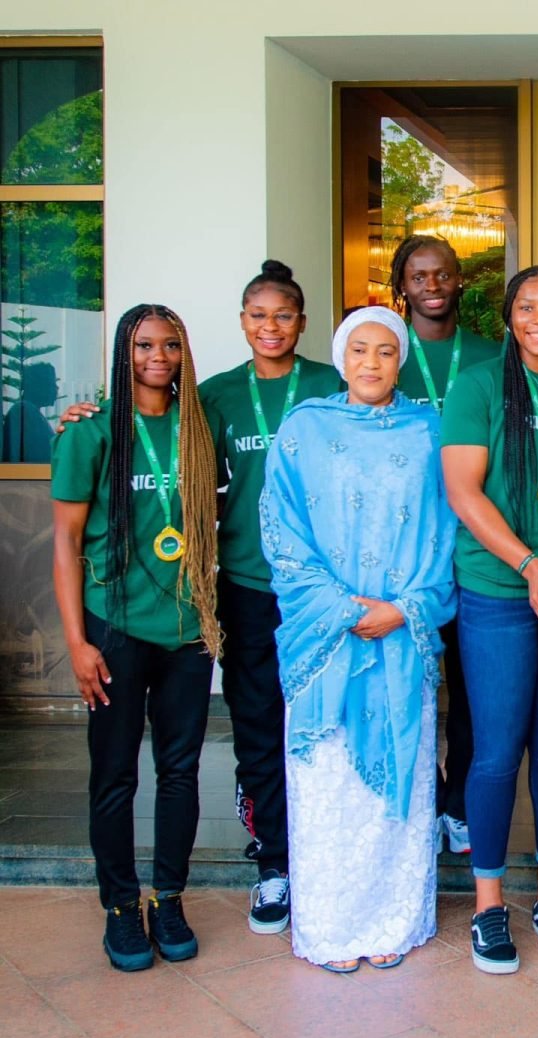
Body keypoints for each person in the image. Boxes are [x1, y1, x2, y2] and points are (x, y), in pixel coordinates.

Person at [261, 306, 457, 973]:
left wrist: (406, 609)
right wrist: (343, 608)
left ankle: (389, 923)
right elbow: (281, 531)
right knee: (329, 789)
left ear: (400, 359)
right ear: (341, 357)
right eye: (359, 351)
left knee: (393, 796)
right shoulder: (303, 429)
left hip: (404, 637)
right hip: (327, 639)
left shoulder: (431, 430)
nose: (371, 364)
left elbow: (446, 531)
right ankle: (331, 928)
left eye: (385, 352)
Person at [441, 265, 538, 974]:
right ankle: (487, 907)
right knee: (499, 750)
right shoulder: (476, 384)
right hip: (498, 588)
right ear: (508, 316)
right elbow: (464, 493)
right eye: (528, 306)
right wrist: (529, 566)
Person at [51, 304, 221, 971]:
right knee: (115, 775)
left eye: (171, 344)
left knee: (179, 773)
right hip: (114, 630)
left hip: (186, 629)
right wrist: (77, 643)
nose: (158, 356)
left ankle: (169, 899)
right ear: (124, 351)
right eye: (144, 344)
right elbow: (65, 544)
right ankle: (122, 907)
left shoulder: (199, 424)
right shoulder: (90, 433)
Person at [188, 261, 341, 935]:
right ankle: (274, 864)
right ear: (243, 322)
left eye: (284, 316)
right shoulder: (216, 395)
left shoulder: (328, 384)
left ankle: (323, 853)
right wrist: (91, 414)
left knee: (326, 724)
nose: (271, 327)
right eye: (259, 315)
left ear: (302, 324)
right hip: (248, 585)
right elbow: (160, 432)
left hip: (323, 589)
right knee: (257, 725)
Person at [390, 234, 501, 858]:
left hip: (474, 545)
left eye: (442, 275)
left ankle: (457, 804)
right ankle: (415, 804)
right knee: (407, 683)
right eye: (418, 276)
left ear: (460, 282)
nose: (431, 285)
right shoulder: (384, 355)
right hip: (403, 552)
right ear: (401, 286)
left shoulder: (491, 355)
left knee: (469, 686)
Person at [3, 360, 58, 463]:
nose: (56, 388)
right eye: (52, 383)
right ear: (38, 385)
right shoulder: (24, 411)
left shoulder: (29, 411)